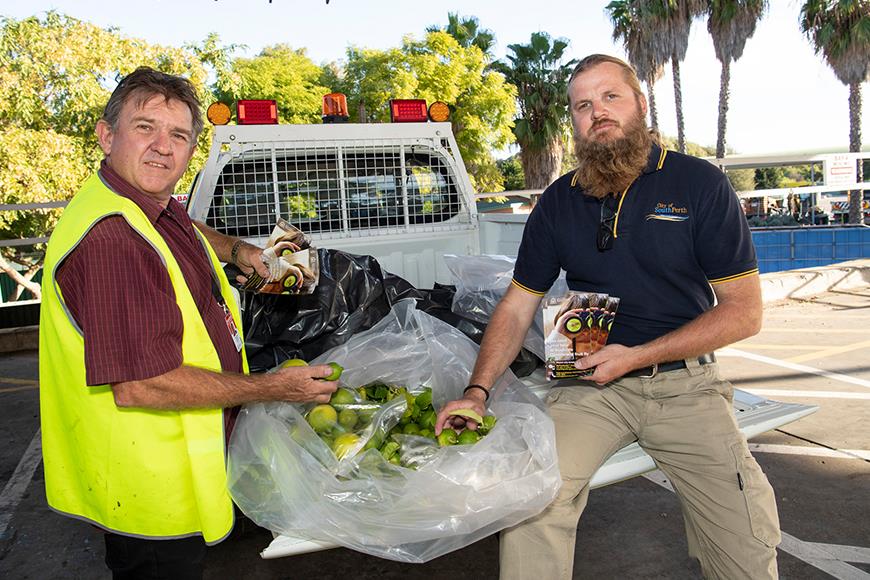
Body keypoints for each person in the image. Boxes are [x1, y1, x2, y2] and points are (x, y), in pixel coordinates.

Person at [436, 54, 780, 579]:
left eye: (610, 97)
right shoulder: (558, 200)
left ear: (640, 104)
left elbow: (743, 313)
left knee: (744, 539)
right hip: (588, 385)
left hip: (684, 386)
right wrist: (477, 391)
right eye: (582, 105)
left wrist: (637, 356)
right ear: (574, 122)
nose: (598, 112)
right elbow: (517, 303)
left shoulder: (698, 184)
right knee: (533, 499)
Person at [38, 66, 338, 579]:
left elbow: (184, 221)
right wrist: (272, 388)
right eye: (145, 127)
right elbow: (141, 385)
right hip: (151, 488)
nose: (162, 147)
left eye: (178, 135)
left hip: (163, 471)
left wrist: (237, 250)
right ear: (106, 135)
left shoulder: (144, 203)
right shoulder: (115, 242)